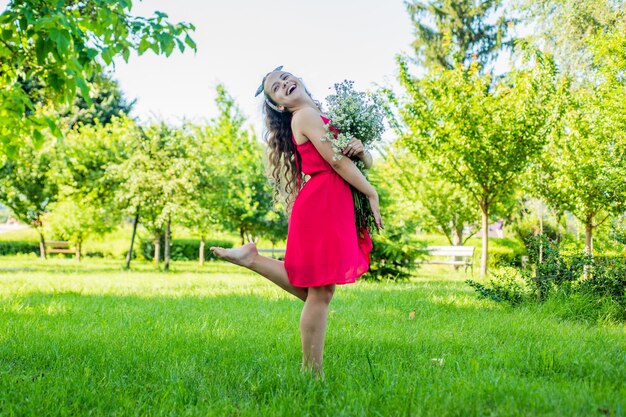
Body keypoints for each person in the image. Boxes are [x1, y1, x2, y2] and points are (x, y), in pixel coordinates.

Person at [210, 67, 383, 377]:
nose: (285, 84)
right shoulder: (302, 116)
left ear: (299, 79)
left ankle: (253, 259)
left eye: (286, 77)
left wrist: (363, 151)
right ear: (279, 104)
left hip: (330, 201)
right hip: (322, 203)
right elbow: (336, 161)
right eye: (277, 88)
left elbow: (357, 159)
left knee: (319, 293)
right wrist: (371, 193)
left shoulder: (319, 113)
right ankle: (311, 374)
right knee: (319, 294)